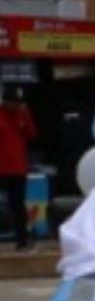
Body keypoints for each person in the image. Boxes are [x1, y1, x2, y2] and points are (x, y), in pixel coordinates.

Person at [0, 87, 37, 250]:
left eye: (19, 103)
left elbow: (32, 134)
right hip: (2, 168)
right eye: (14, 103)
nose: (17, 106)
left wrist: (25, 116)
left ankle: (22, 240)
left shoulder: (21, 116)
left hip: (17, 169)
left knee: (18, 205)